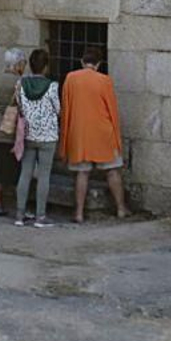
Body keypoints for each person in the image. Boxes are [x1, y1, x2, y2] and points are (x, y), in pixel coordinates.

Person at [61, 47, 129, 223]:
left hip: (80, 133)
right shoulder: (104, 80)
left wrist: (65, 138)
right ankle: (121, 208)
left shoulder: (70, 78)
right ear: (98, 64)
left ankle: (79, 213)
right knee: (112, 171)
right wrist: (116, 137)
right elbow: (112, 110)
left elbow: (66, 109)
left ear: (82, 62)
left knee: (82, 173)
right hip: (102, 132)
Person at [15, 48, 61, 229]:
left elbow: (19, 106)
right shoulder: (52, 86)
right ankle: (40, 216)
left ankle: (19, 214)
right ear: (46, 66)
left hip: (28, 134)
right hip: (48, 135)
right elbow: (57, 109)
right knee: (44, 176)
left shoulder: (20, 84)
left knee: (25, 173)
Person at [0, 48, 25, 217]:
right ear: (18, 64)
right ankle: (19, 205)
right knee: (17, 168)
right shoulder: (20, 82)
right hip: (14, 128)